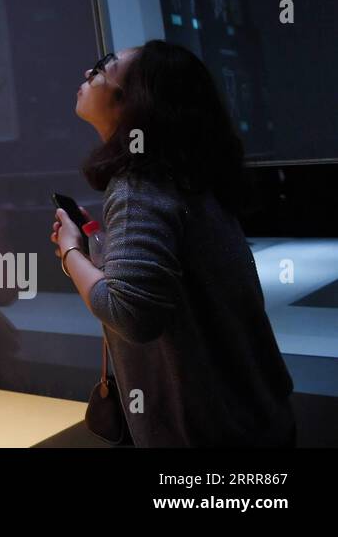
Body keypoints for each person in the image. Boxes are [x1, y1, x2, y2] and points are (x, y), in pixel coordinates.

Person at [51, 40, 296, 447]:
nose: (87, 75)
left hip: (204, 431)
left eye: (101, 68)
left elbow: (131, 314)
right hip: (255, 414)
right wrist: (102, 245)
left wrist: (71, 252)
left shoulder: (138, 188)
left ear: (130, 101)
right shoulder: (188, 177)